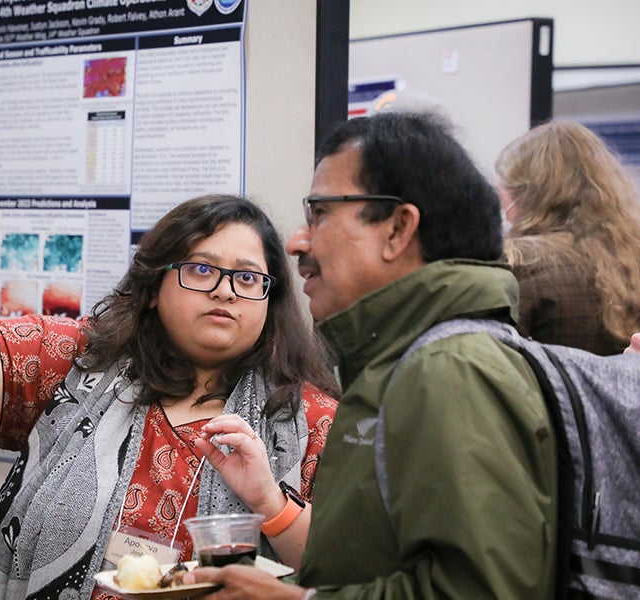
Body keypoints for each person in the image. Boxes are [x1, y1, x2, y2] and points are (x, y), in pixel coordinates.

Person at [0, 164, 339, 600]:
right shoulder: (80, 361)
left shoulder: (312, 422)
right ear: (155, 287)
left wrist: (274, 505)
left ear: (269, 297)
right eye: (201, 269)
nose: (224, 290)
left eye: (246, 276)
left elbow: (353, 576)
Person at [184, 111, 558, 598]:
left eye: (319, 213)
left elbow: (481, 591)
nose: (299, 241)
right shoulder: (404, 364)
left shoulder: (450, 370)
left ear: (397, 229)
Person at [496, 120, 640, 355]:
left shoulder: (520, 262)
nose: (503, 207)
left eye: (504, 192)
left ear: (528, 194)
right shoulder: (631, 256)